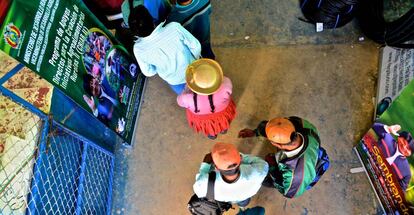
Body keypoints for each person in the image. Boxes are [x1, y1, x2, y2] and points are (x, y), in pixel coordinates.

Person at [238, 116, 327, 198]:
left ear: (276, 144)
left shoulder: (296, 176)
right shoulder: (301, 124)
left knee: (264, 178)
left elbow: (288, 192)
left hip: (300, 176)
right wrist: (255, 132)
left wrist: (272, 167)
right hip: (312, 153)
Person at [130, 6, 201, 94]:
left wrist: (159, 66)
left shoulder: (138, 49)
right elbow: (196, 46)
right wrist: (196, 60)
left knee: (191, 102)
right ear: (152, 20)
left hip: (174, 81)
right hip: (194, 71)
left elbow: (148, 72)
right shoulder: (173, 27)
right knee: (206, 92)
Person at [193, 142, 269, 210]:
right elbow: (263, 164)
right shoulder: (258, 172)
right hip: (245, 195)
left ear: (216, 168)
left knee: (233, 200)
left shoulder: (203, 184)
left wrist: (205, 166)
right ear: (240, 158)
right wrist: (237, 157)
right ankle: (242, 205)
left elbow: (199, 192)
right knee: (243, 201)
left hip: (228, 199)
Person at [177, 59, 236, 139]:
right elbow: (226, 83)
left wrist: (187, 89)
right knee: (223, 122)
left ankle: (212, 134)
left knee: (209, 127)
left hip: (203, 119)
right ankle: (223, 129)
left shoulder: (186, 98)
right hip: (221, 113)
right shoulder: (225, 85)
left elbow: (180, 102)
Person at [372, 122, 414, 190]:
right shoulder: (387, 138)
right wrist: (388, 129)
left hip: (380, 189)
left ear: (410, 153)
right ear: (399, 137)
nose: (404, 146)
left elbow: (401, 191)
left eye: (408, 148)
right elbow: (373, 125)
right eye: (404, 141)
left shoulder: (406, 173)